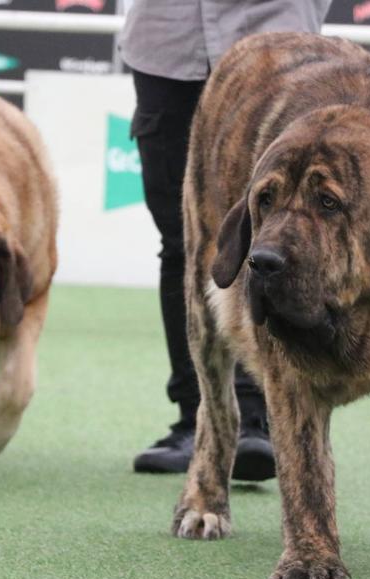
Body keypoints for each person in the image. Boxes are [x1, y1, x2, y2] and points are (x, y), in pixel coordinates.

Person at [118, 1, 331, 480]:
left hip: (278, 42)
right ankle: (195, 418)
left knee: (278, 237)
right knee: (183, 244)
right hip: (168, 45)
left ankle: (261, 414)